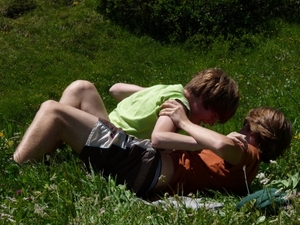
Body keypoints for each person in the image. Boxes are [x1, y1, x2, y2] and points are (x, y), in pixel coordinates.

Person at [13, 99, 293, 198]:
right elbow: (217, 149)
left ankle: (14, 170)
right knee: (80, 92)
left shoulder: (248, 154)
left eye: (248, 129)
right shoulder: (246, 170)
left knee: (54, 111)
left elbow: (220, 143)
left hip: (143, 164)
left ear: (262, 137)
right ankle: (43, 156)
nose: (241, 132)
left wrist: (182, 120)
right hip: (144, 170)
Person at [59, 68, 240, 150]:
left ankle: (54, 145)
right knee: (81, 88)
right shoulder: (180, 104)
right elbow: (160, 138)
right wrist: (210, 143)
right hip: (113, 144)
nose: (211, 123)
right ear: (204, 97)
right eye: (214, 116)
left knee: (81, 88)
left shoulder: (169, 91)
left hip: (104, 130)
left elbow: (116, 89)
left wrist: (152, 93)